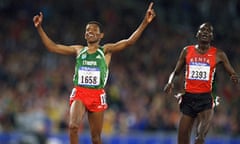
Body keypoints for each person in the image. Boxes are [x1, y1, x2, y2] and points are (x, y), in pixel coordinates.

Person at [33, 2, 155, 144]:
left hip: (97, 94)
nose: (90, 31)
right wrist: (39, 28)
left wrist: (145, 22)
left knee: (96, 138)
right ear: (85, 34)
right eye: (87, 30)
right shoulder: (79, 50)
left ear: (101, 35)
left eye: (94, 30)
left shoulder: (105, 51)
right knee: (73, 126)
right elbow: (53, 47)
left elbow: (129, 41)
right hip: (80, 92)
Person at [163, 22, 239, 144]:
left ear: (212, 36)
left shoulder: (219, 54)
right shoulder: (187, 51)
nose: (205, 32)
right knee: (182, 139)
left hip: (205, 100)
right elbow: (175, 72)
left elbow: (232, 72)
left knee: (200, 137)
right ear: (197, 34)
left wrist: (234, 77)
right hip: (188, 99)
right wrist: (170, 82)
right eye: (202, 30)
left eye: (208, 31)